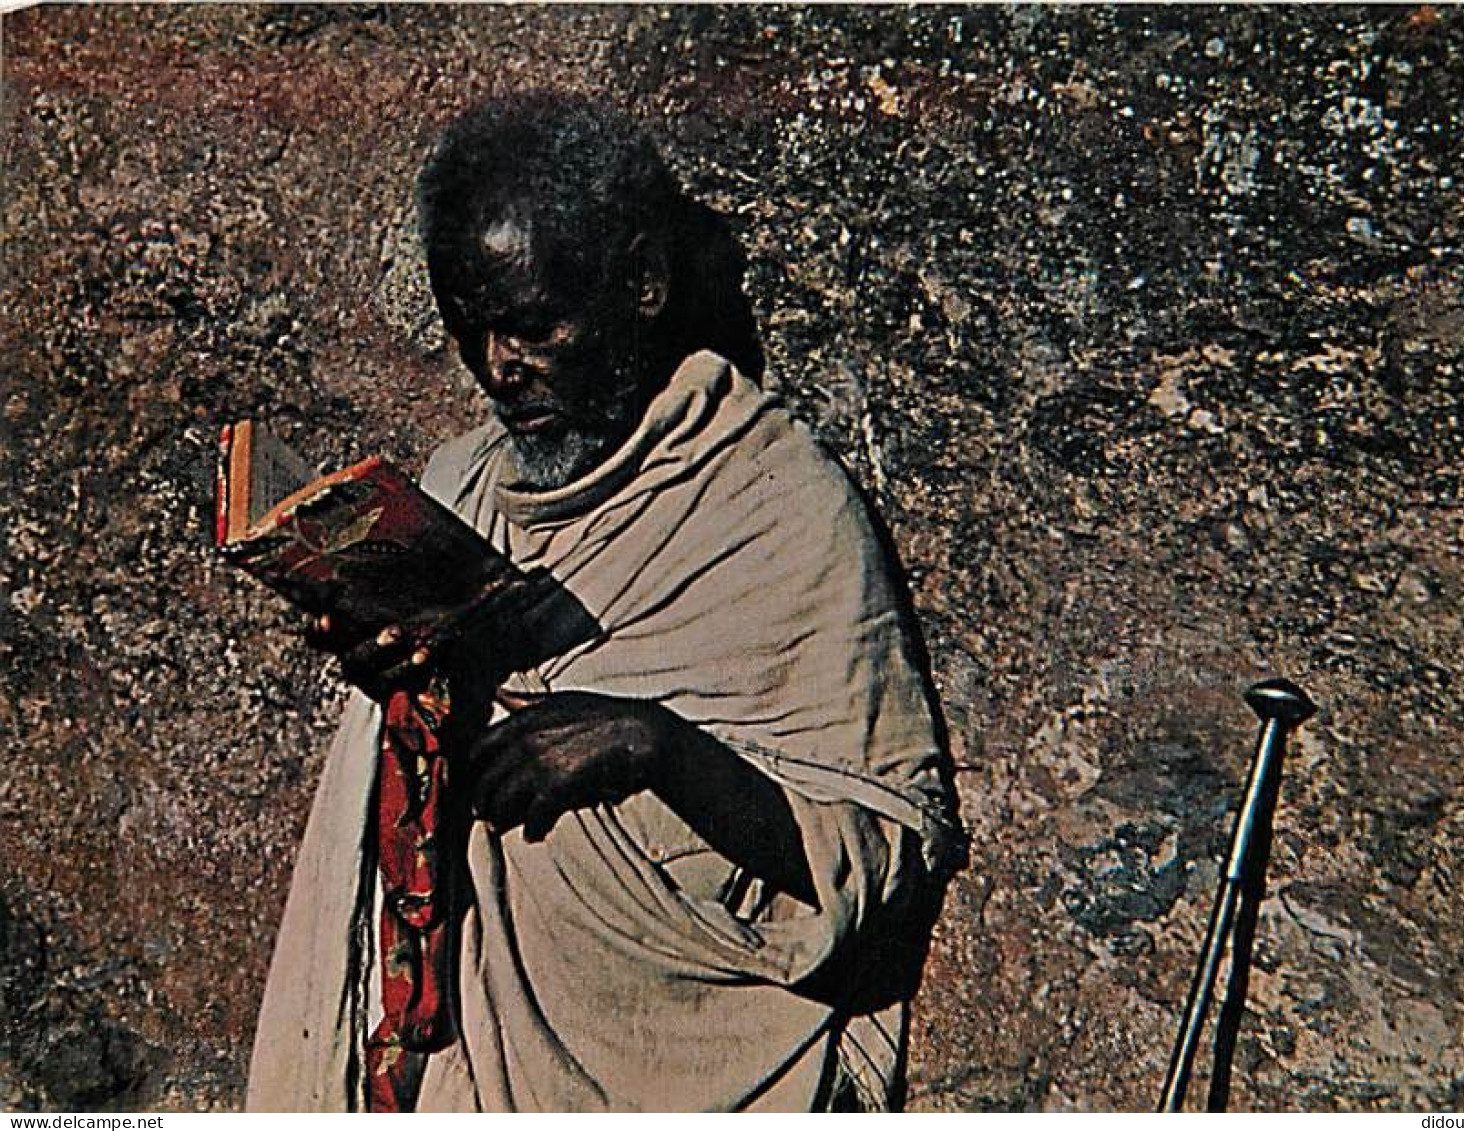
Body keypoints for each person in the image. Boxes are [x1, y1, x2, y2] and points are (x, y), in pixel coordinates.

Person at [245, 92, 963, 1113]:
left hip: (686, 1055)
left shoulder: (772, 502)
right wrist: (395, 680)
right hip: (469, 1052)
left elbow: (885, 857)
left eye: (538, 325)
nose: (501, 366)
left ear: (644, 286)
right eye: (472, 328)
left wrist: (654, 747)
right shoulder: (459, 485)